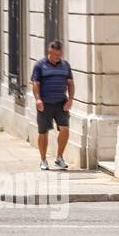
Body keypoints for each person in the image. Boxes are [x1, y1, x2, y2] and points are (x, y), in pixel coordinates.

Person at [30, 39, 74, 170]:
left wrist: (70, 99)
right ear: (49, 52)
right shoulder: (40, 65)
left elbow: (70, 83)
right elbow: (35, 83)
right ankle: (43, 160)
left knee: (65, 129)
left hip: (61, 102)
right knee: (43, 132)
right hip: (45, 103)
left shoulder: (65, 65)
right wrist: (38, 99)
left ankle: (59, 158)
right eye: (55, 55)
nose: (57, 58)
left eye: (59, 55)